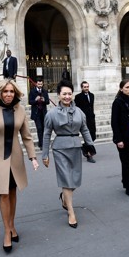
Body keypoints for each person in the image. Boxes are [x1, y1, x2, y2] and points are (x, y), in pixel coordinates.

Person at [0, 79, 39, 252]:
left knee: (12, 191)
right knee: (3, 194)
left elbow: (27, 136)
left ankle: (12, 225)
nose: (9, 94)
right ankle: (6, 231)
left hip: (15, 158)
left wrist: (32, 157)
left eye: (12, 91)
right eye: (5, 91)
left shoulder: (20, 110)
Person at [42, 80, 95, 229]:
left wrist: (90, 145)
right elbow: (46, 134)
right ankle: (71, 212)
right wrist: (45, 154)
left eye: (69, 94)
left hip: (76, 147)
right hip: (60, 149)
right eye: (64, 94)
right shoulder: (51, 114)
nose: (67, 96)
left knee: (75, 179)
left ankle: (65, 198)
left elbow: (84, 129)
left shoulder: (79, 112)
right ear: (58, 95)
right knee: (66, 179)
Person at [74, 81, 97, 163]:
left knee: (93, 136)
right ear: (82, 88)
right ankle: (89, 155)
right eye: (84, 87)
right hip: (83, 119)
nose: (86, 88)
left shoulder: (92, 95)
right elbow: (76, 108)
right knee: (88, 136)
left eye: (87, 86)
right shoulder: (78, 97)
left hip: (91, 118)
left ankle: (84, 147)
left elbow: (92, 106)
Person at [28, 78, 50, 149]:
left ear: (42, 84)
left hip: (43, 113)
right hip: (36, 113)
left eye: (41, 84)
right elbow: (30, 102)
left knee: (44, 128)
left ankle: (44, 143)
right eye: (38, 84)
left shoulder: (45, 91)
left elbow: (47, 102)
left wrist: (44, 100)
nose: (40, 85)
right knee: (39, 128)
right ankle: (41, 144)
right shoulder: (32, 91)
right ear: (36, 84)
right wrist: (35, 100)